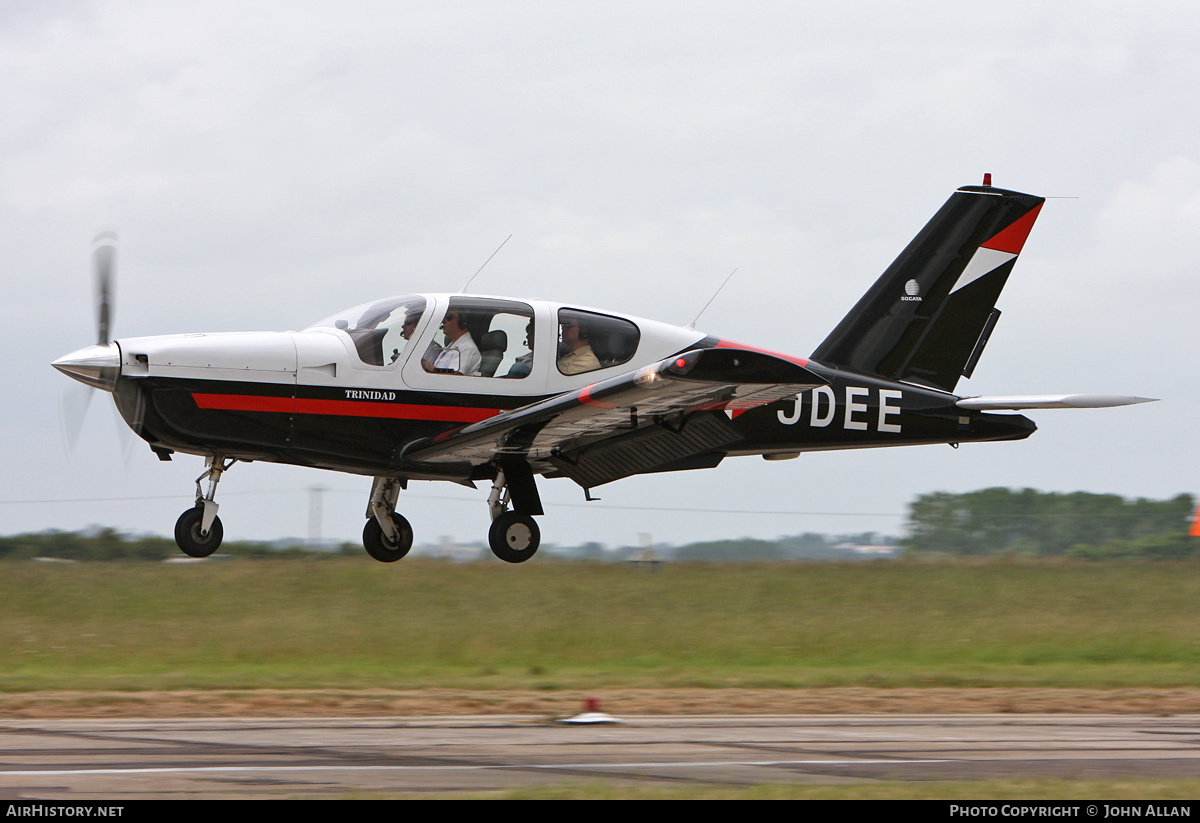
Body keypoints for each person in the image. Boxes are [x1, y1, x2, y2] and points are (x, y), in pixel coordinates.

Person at [427, 309, 481, 375]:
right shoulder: (452, 345)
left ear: (463, 321)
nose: (443, 321)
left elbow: (453, 376)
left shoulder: (467, 348)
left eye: (448, 317)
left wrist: (427, 365)